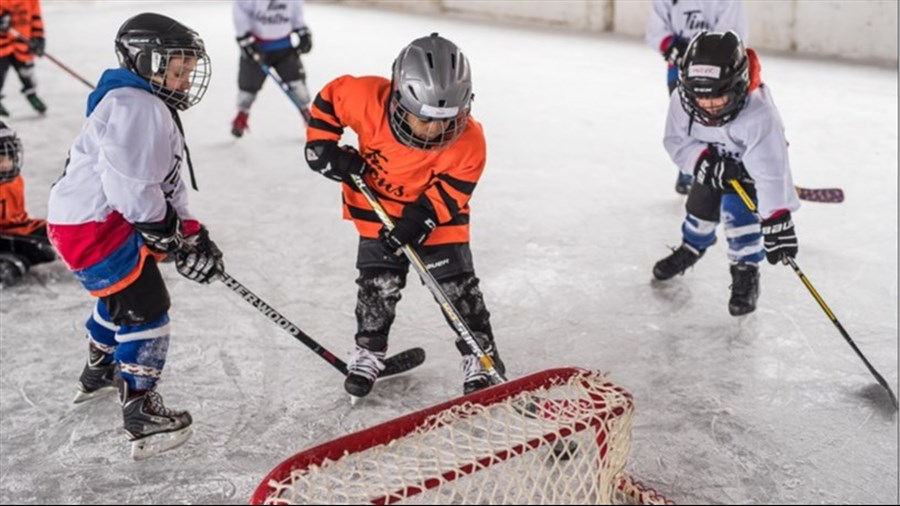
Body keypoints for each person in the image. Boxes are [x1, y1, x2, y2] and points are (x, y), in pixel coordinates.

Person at [46, 13, 223, 459]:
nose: (184, 82)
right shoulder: (137, 105)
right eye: (176, 70)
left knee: (121, 295)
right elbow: (130, 185)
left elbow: (165, 182)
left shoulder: (146, 104)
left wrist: (190, 232)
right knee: (148, 310)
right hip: (96, 223)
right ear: (145, 61)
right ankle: (142, 414)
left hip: (88, 220)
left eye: (188, 71)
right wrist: (163, 228)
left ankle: (98, 370)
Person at [304, 33, 504, 398]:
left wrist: (421, 220)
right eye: (423, 119)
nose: (433, 132)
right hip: (377, 211)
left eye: (445, 122)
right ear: (398, 97)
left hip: (437, 218)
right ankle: (369, 350)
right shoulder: (364, 97)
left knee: (457, 287)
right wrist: (321, 147)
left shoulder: (470, 141)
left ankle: (480, 354)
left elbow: (453, 191)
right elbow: (329, 101)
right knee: (377, 285)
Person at [652, 30, 800, 317]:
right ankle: (691, 248)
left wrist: (776, 218)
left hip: (747, 172)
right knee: (697, 211)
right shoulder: (683, 99)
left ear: (738, 85)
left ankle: (746, 269)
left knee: (740, 219)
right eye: (700, 99)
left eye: (718, 99)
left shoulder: (760, 114)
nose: (707, 107)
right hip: (709, 166)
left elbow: (771, 171)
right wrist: (702, 163)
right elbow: (675, 141)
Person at [645, 0, 747, 194]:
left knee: (719, 116)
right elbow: (655, 30)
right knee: (687, 121)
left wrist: (708, 57)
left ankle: (724, 162)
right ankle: (692, 168)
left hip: (720, 74)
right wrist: (672, 47)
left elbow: (732, 34)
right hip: (681, 70)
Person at [231, 0, 313, 137]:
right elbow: (240, 10)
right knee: (248, 87)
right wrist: (243, 36)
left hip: (284, 47)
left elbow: (296, 11)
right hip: (256, 46)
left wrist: (302, 30)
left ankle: (307, 114)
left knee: (297, 84)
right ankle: (242, 114)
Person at [0, 120, 56, 286]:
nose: (7, 164)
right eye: (0, 159)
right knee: (20, 261)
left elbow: (18, 220)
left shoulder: (14, 180)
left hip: (14, 230)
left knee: (57, 234)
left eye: (10, 157)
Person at [0, 0, 47, 115]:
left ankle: (32, 94)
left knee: (27, 73)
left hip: (22, 44)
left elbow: (36, 17)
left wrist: (38, 38)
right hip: (2, 46)